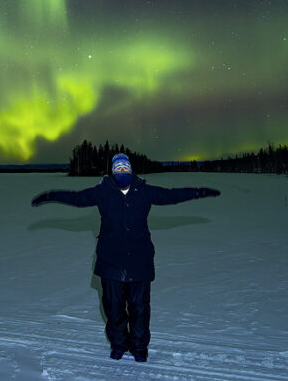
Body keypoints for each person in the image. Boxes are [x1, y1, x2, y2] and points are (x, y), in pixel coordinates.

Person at [30, 153, 221, 363]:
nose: (122, 172)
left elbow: (171, 195)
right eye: (118, 169)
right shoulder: (103, 191)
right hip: (110, 262)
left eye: (125, 168)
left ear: (131, 170)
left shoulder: (143, 191)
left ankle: (139, 348)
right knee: (113, 308)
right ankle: (118, 345)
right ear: (113, 172)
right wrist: (51, 195)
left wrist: (197, 192)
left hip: (139, 261)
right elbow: (77, 198)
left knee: (139, 308)